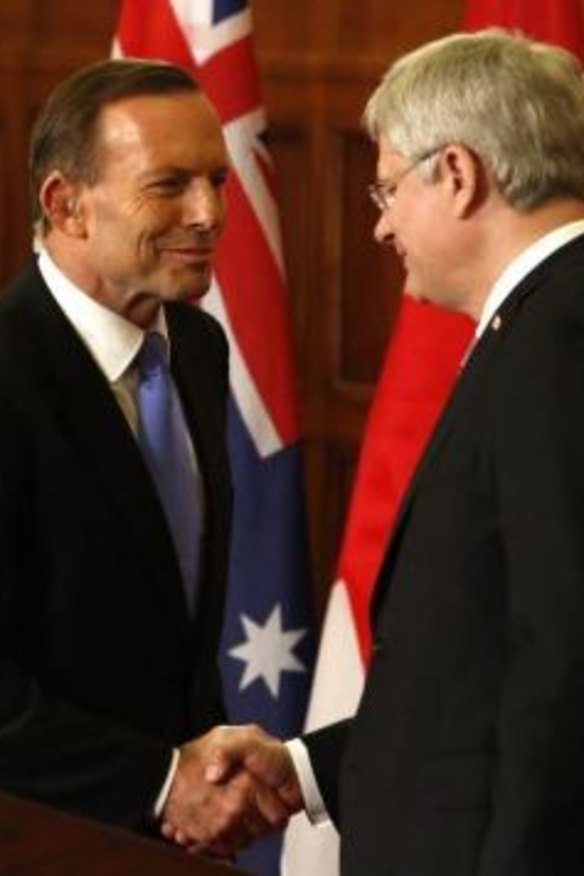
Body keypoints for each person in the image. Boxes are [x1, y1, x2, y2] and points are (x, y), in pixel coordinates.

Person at [190, 28, 584, 875]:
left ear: (458, 173)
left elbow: (562, 661)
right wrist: (306, 767)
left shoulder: (559, 340)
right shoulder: (537, 328)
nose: (379, 227)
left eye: (386, 189)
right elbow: (471, 670)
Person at [0, 58, 290, 854]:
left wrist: (203, 786)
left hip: (176, 845)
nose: (208, 213)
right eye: (169, 185)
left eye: (218, 181)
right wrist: (162, 783)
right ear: (66, 204)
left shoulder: (197, 346)